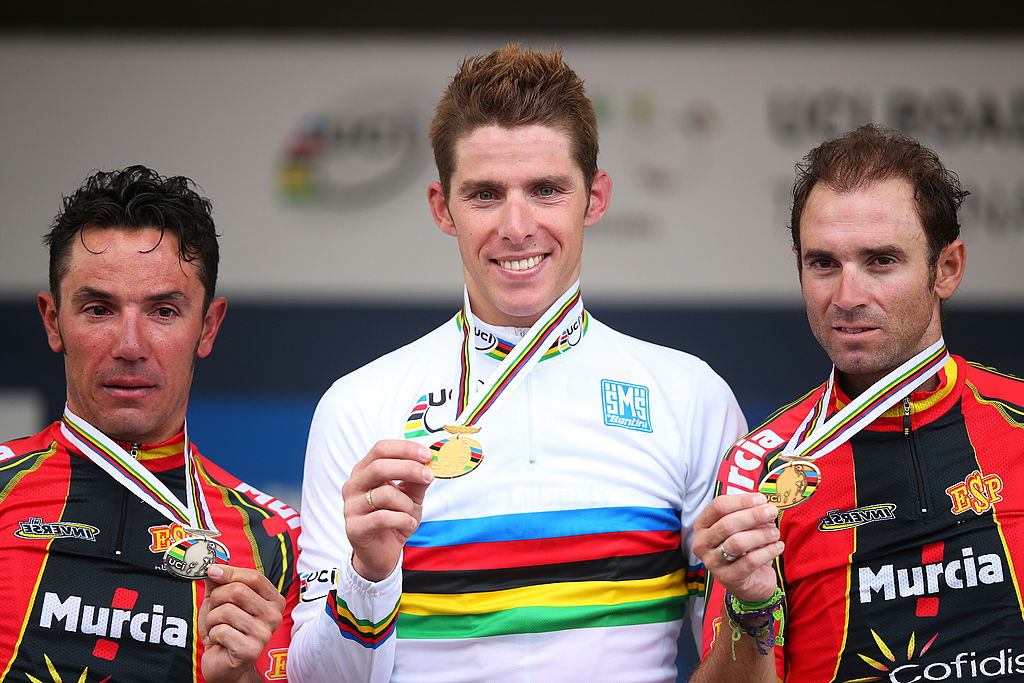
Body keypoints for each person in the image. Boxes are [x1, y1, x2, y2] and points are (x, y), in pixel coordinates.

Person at [288, 44, 746, 682]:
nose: (517, 224)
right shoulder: (360, 406)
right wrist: (369, 576)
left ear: (596, 197)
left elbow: (742, 664)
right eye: (484, 194)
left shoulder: (691, 398)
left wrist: (758, 606)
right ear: (441, 207)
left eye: (547, 190)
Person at [690, 124, 1024, 682]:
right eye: (824, 264)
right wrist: (751, 607)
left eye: (881, 261)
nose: (848, 298)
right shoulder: (760, 469)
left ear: (948, 268)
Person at [0, 165, 301, 682]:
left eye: (163, 311)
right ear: (53, 320)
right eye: (98, 309)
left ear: (207, 327)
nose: (130, 346)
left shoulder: (274, 540)